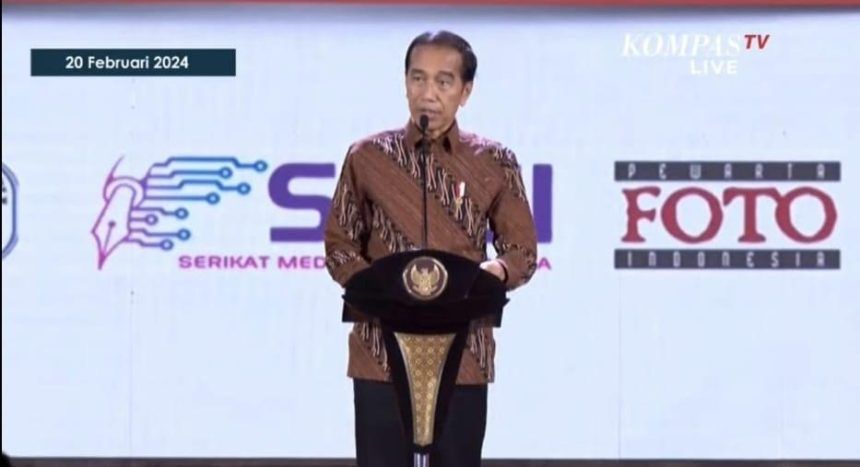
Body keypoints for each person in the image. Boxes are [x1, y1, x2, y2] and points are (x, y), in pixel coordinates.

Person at [324, 30, 538, 467]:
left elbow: (522, 252)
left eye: (444, 81)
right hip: (379, 351)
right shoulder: (367, 157)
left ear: (466, 91)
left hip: (465, 352)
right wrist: (376, 285)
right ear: (405, 82)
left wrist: (491, 275)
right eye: (418, 78)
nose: (428, 94)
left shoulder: (494, 161)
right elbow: (340, 244)